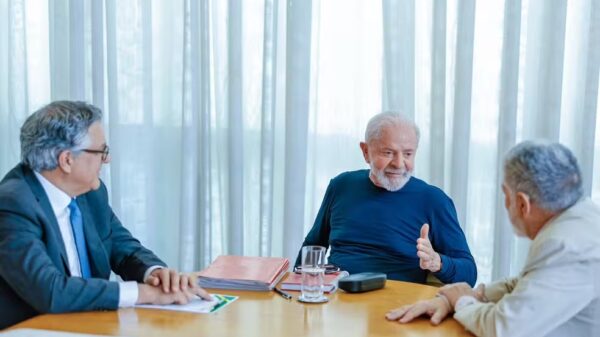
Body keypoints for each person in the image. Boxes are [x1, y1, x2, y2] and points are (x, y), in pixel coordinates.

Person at [0, 101, 211, 328]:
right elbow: (50, 290)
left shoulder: (90, 192)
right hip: (35, 329)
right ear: (67, 160)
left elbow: (124, 248)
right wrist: (144, 294)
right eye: (102, 151)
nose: (107, 159)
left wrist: (157, 274)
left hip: (93, 324)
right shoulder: (12, 204)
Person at [386, 141, 600, 337]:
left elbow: (503, 329)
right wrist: (470, 296)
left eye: (505, 195)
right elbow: (525, 283)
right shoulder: (582, 218)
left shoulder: (567, 245)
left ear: (522, 204)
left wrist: (461, 301)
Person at [295, 112, 477, 286]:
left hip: (397, 306)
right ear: (365, 151)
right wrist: (296, 290)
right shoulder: (340, 186)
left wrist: (437, 262)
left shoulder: (434, 200)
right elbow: (313, 246)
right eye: (388, 153)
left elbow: (469, 273)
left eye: (407, 154)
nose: (398, 164)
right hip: (338, 299)